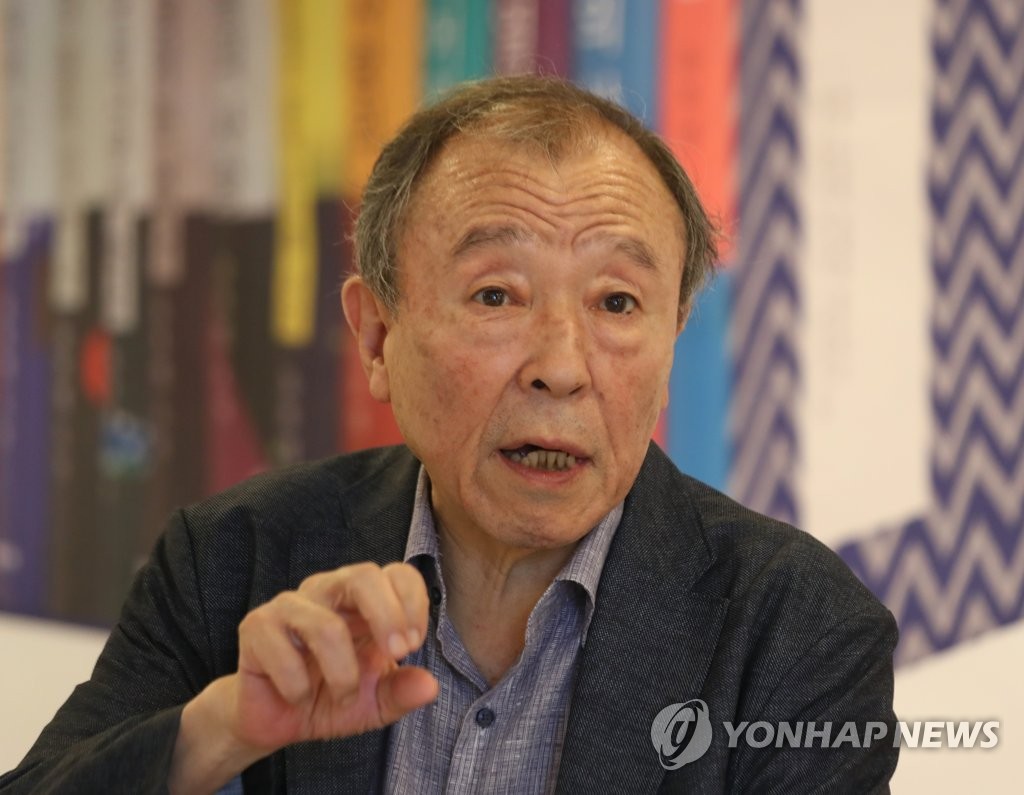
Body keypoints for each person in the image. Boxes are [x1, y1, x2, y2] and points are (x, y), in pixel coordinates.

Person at [0, 75, 898, 794]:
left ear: (671, 340)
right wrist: (222, 730)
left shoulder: (797, 628)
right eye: (496, 294)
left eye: (618, 302)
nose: (561, 366)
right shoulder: (232, 560)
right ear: (377, 337)